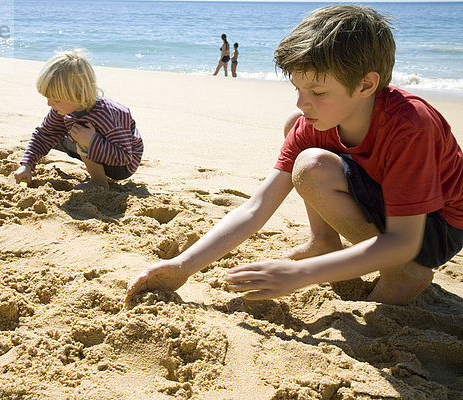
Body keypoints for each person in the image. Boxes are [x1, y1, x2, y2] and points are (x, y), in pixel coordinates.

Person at [126, 5, 463, 306]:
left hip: (438, 225)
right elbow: (256, 207)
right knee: (298, 134)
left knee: (311, 163)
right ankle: (324, 242)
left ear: (365, 85)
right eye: (298, 89)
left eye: (317, 91)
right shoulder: (315, 121)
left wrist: (302, 275)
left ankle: (402, 274)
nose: (302, 102)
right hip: (386, 201)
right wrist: (183, 266)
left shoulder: (410, 126)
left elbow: (404, 241)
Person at [15, 50, 143, 190]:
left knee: (80, 131)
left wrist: (92, 142)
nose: (49, 104)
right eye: (48, 97)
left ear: (78, 95)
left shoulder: (108, 115)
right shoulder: (63, 109)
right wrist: (26, 164)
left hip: (122, 166)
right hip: (100, 149)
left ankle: (99, 181)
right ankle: (92, 160)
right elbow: (44, 134)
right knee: (52, 134)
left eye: (56, 99)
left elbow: (124, 157)